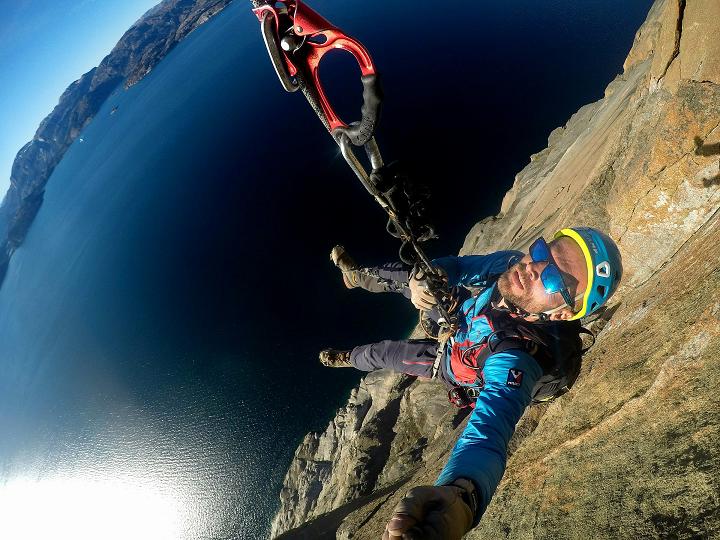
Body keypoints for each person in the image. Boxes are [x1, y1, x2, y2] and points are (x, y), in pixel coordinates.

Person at [319, 227, 623, 539]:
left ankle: (349, 357)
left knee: (382, 354)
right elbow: (462, 267)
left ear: (562, 314)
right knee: (411, 277)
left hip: (450, 361)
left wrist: (462, 495)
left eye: (554, 280)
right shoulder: (512, 267)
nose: (533, 268)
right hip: (462, 320)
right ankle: (355, 276)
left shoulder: (518, 356)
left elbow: (489, 432)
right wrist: (431, 275)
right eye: (544, 251)